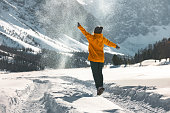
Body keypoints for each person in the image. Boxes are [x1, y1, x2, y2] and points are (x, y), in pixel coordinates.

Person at [77, 22, 120, 95]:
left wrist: (79, 26)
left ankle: (99, 88)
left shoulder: (91, 38)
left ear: (94, 32)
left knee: (95, 74)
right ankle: (101, 86)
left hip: (93, 59)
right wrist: (115, 46)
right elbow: (109, 43)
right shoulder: (102, 39)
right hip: (101, 59)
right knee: (100, 73)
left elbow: (85, 32)